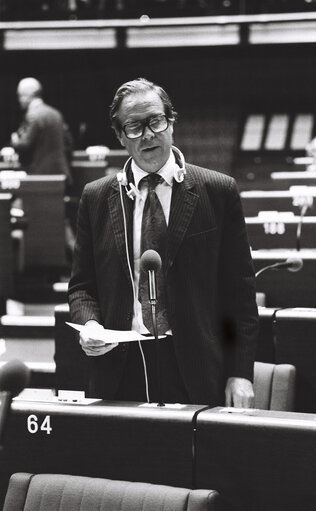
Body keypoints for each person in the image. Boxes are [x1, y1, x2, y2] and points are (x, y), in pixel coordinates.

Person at [68, 78, 259, 407]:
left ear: (171, 121)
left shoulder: (218, 191)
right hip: (118, 367)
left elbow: (239, 292)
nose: (147, 134)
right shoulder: (96, 197)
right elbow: (82, 286)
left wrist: (240, 372)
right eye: (134, 127)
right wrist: (90, 324)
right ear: (119, 136)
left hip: (196, 367)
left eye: (155, 121)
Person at [11, 77, 72, 183]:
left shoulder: (33, 115)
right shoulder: (55, 113)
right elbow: (69, 142)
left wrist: (15, 140)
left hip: (40, 176)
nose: (19, 99)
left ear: (29, 95)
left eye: (20, 95)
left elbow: (24, 144)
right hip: (61, 173)